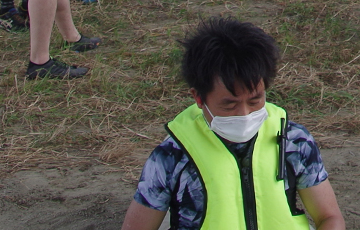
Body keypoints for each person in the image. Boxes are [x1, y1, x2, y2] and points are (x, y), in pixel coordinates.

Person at [119, 17, 343, 230]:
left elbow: (329, 217)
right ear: (198, 98)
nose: (244, 114)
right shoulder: (171, 157)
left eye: (255, 100)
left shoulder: (293, 141)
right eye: (229, 105)